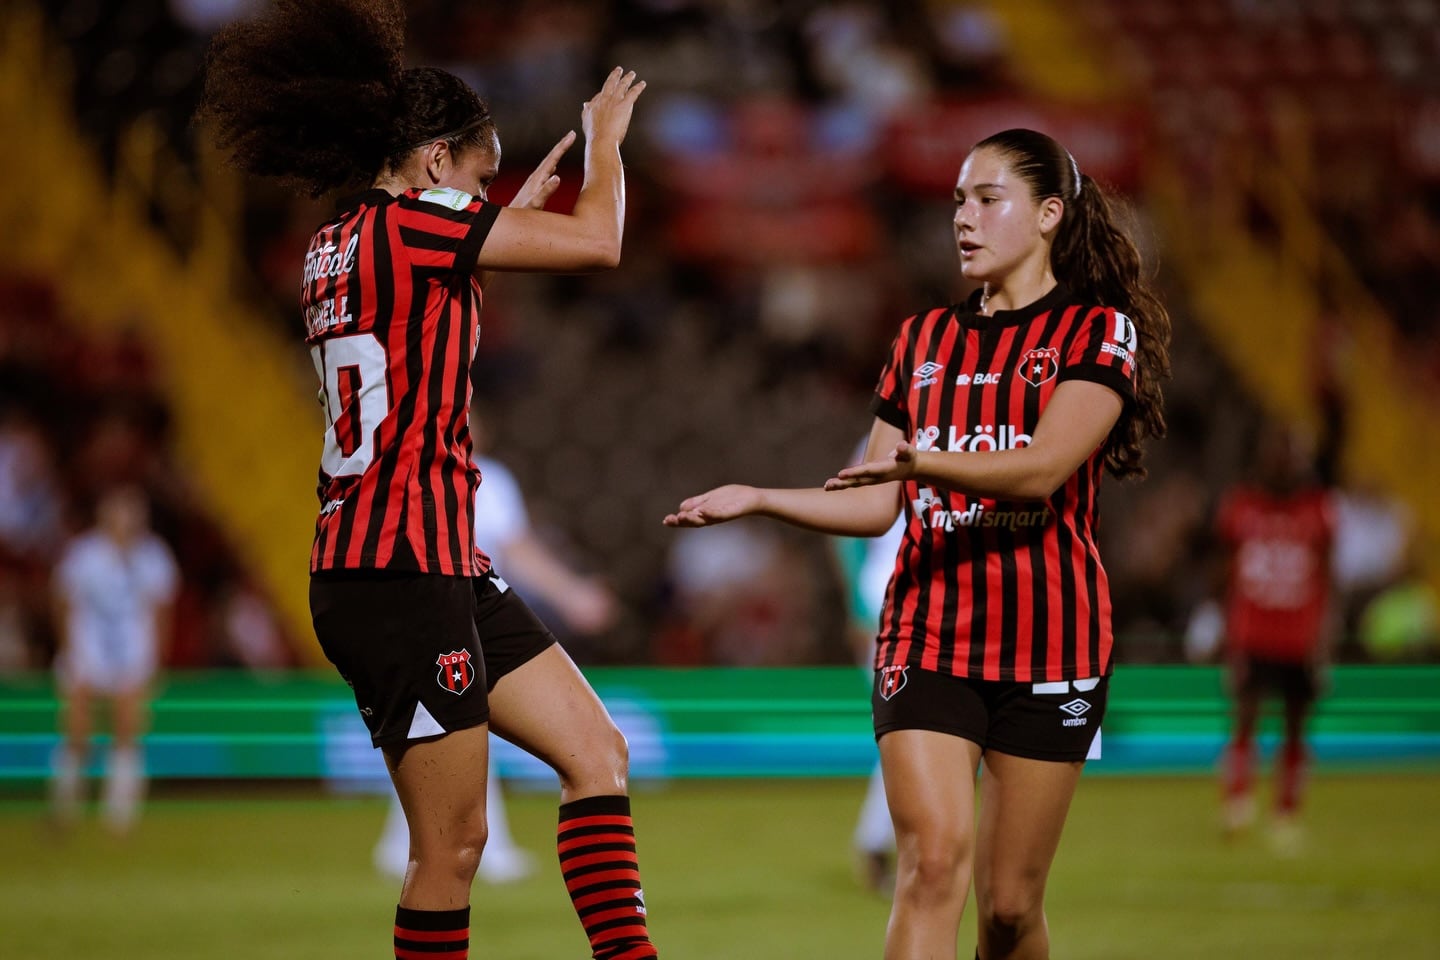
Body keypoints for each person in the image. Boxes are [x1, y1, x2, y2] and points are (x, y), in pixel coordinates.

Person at [199, 4, 655, 959]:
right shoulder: (420, 231)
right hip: (398, 572)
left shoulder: (338, 245)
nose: (484, 198)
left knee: (595, 754)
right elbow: (600, 243)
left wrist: (506, 212)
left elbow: (433, 283)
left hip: (428, 559)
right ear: (435, 161)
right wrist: (605, 148)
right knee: (451, 847)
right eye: (478, 177)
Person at [667, 128, 1170, 960]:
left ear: (1048, 214)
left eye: (986, 200)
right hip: (928, 633)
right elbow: (877, 503)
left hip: (1052, 642)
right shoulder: (922, 340)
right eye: (956, 204)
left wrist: (926, 459)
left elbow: (1041, 470)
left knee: (1008, 910)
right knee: (931, 865)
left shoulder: (1095, 332)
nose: (963, 220)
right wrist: (760, 499)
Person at [373, 404, 619, 884]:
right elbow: (521, 552)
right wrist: (574, 595)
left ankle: (402, 842)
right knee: (462, 726)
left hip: (436, 614)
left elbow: (518, 551)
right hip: (451, 617)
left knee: (438, 731)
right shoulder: (479, 480)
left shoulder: (442, 480)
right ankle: (476, 846)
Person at [1212, 422, 1336, 852]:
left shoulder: (1319, 510)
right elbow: (1225, 574)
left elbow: (1327, 579)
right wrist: (1226, 630)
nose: (1282, 462)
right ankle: (1238, 802)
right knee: (1244, 719)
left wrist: (1323, 642)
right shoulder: (1241, 506)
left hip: (1298, 635)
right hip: (1253, 632)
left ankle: (1286, 810)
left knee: (1295, 727)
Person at [50, 485, 179, 835]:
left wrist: (156, 658)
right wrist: (71, 650)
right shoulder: (83, 555)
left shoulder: (154, 556)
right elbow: (62, 604)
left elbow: (162, 611)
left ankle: (119, 815)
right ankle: (65, 807)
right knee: (78, 730)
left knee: (128, 726)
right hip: (87, 648)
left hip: (133, 651)